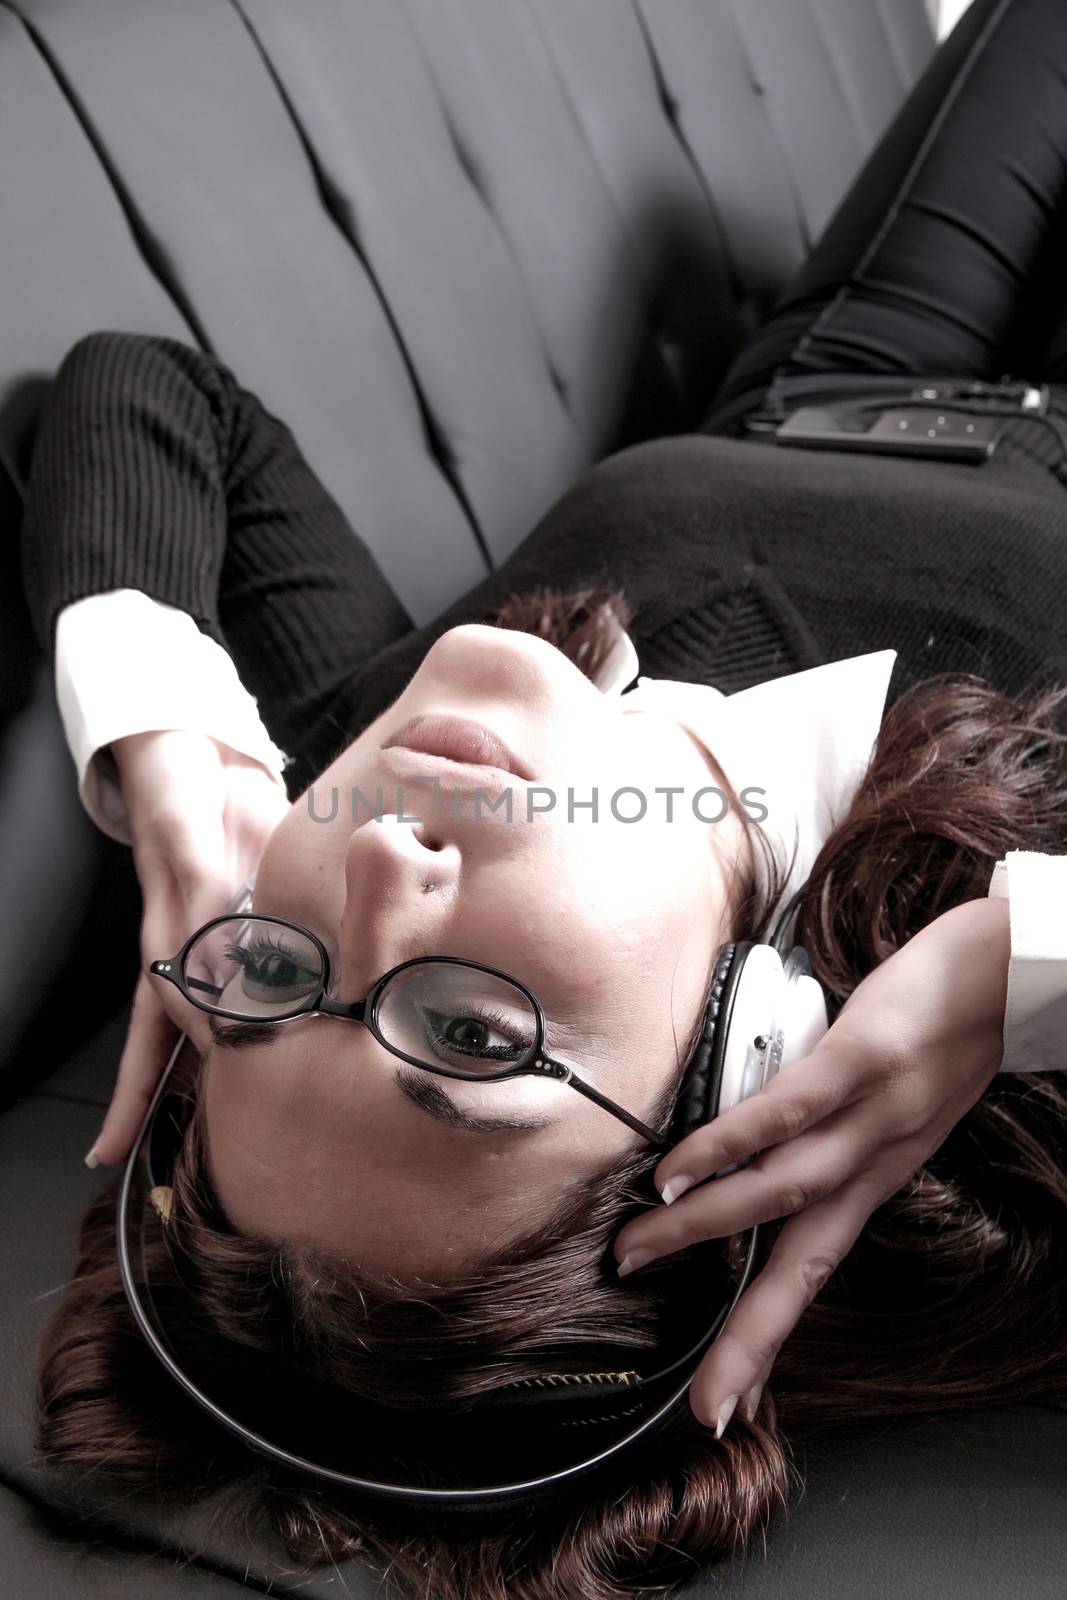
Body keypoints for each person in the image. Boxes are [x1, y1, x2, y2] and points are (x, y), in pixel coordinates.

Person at [24, 0, 1067, 1593]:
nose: (373, 865)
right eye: (467, 1033)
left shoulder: (384, 748)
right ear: (747, 1081)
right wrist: (1034, 962)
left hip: (838, 368)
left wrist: (171, 754)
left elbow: (152, 393)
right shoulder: (971, 949)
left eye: (276, 982)